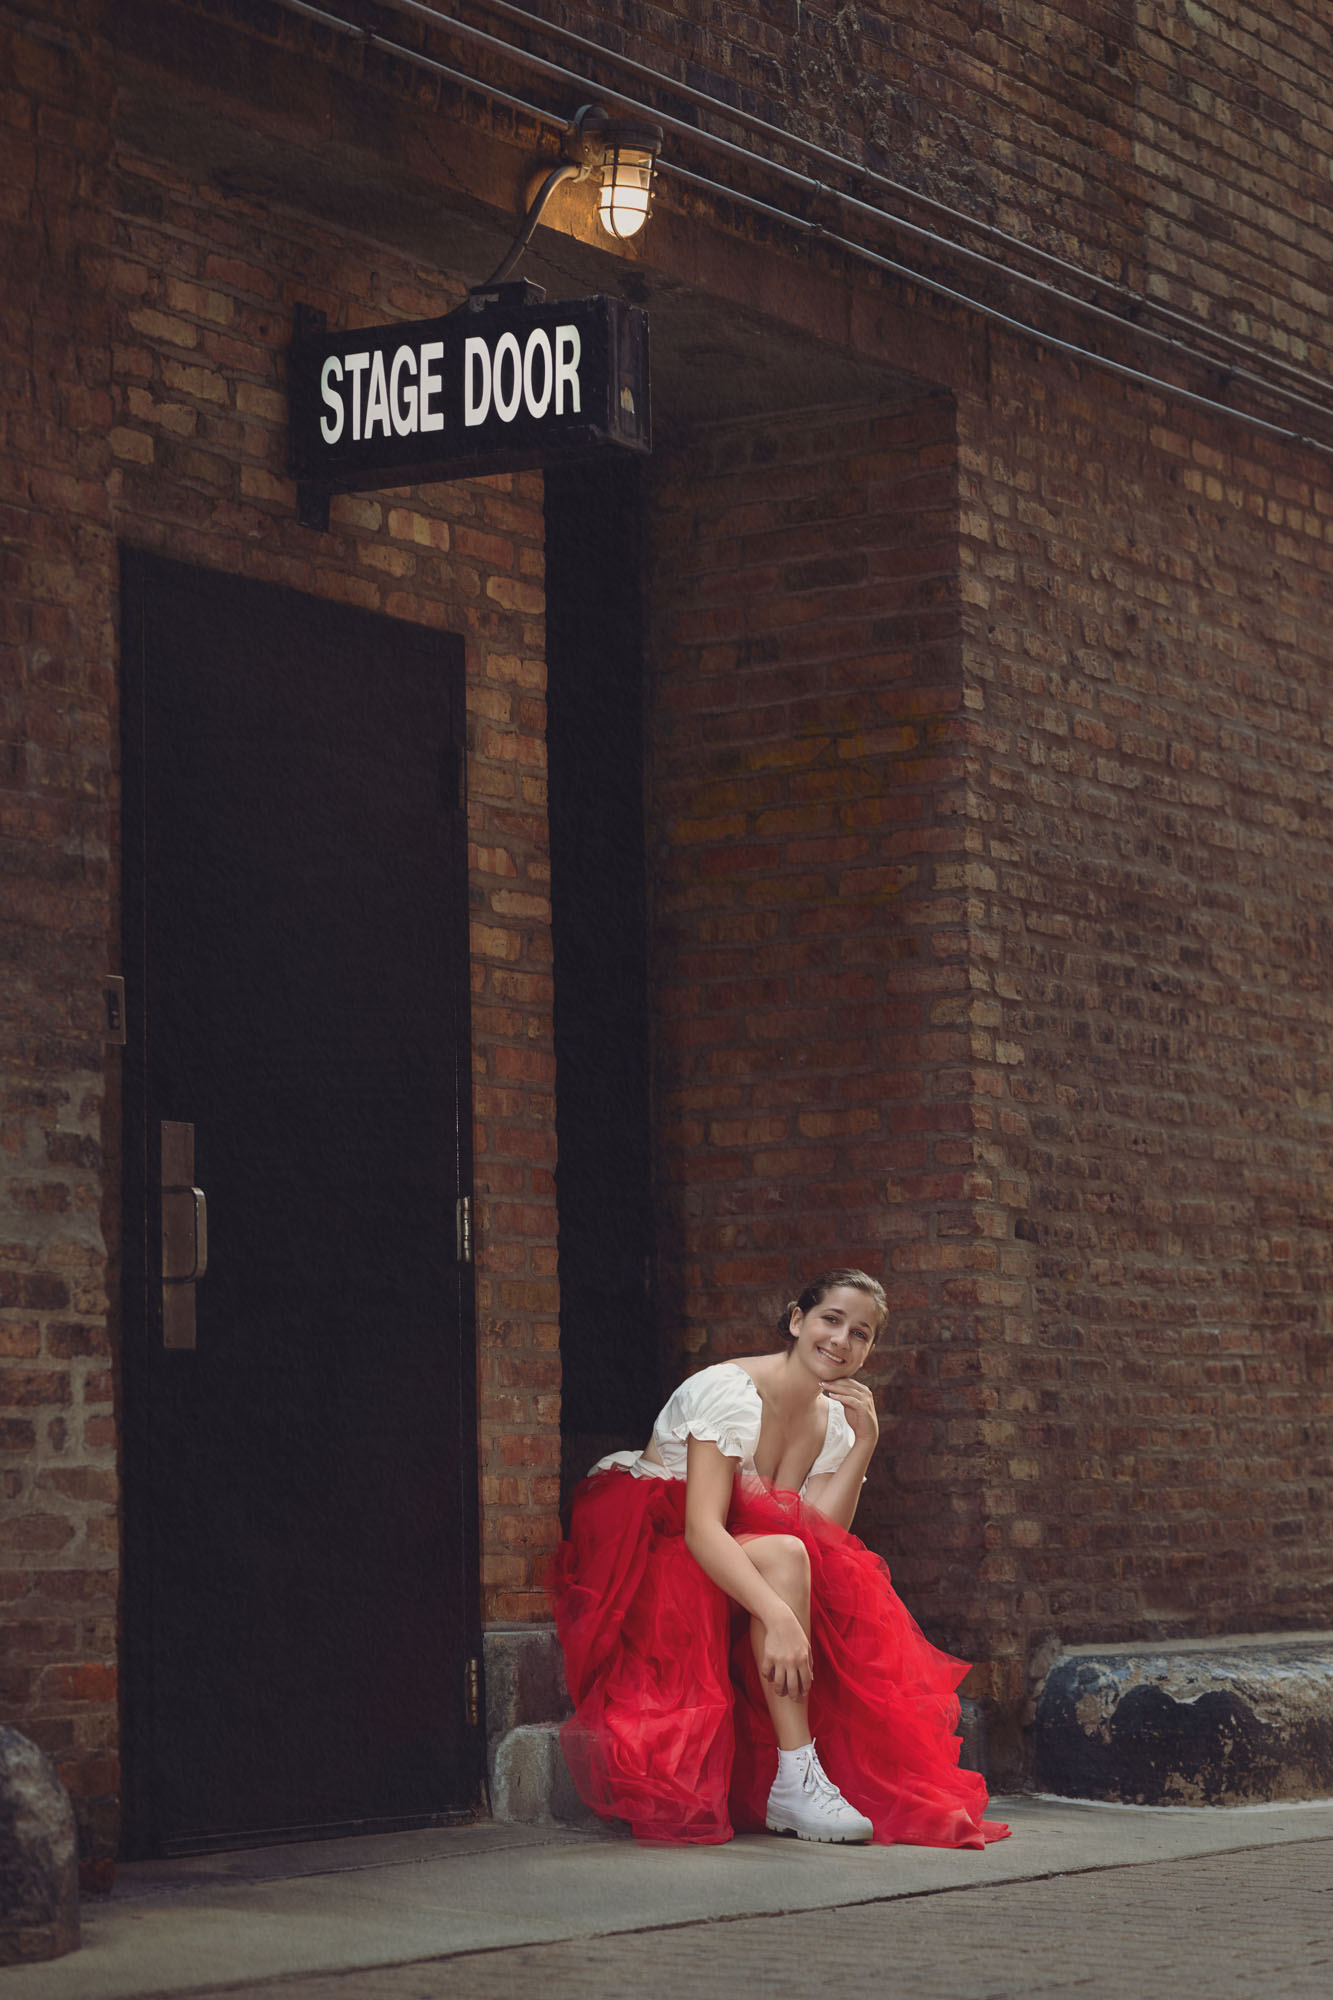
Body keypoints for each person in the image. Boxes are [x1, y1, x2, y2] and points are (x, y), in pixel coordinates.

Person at [550, 1268, 1011, 1848]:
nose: (841, 1340)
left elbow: (824, 1537)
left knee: (813, 1564)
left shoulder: (836, 1419)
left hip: (750, 1553)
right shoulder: (728, 1392)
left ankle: (800, 1776)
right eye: (831, 1320)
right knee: (790, 1559)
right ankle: (796, 1776)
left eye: (861, 1334)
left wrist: (865, 1441)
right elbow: (701, 1529)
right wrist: (781, 1618)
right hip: (655, 1544)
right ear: (797, 1321)